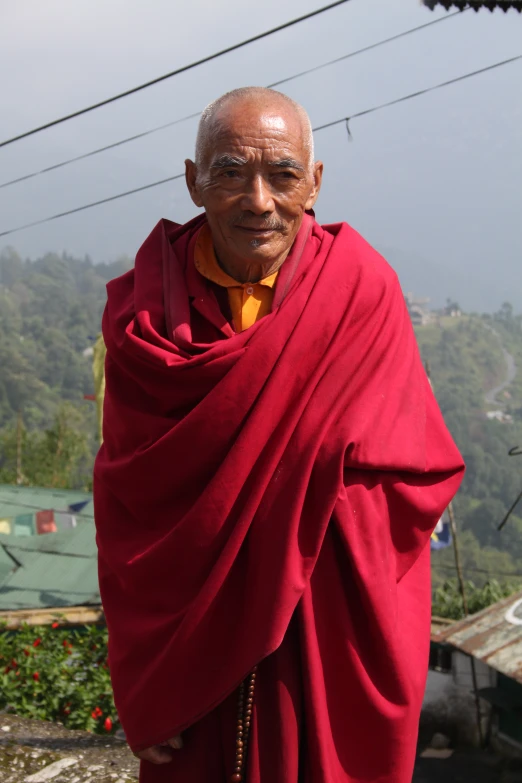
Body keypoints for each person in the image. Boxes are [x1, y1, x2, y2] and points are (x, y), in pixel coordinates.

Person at [94, 87, 464, 783]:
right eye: (231, 172)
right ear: (193, 181)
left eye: (283, 175)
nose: (258, 200)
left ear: (315, 183)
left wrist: (304, 496)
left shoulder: (360, 291)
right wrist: (149, 673)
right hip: (190, 640)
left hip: (317, 624)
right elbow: (129, 505)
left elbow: (415, 475)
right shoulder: (146, 320)